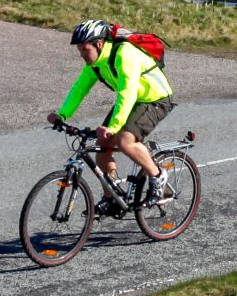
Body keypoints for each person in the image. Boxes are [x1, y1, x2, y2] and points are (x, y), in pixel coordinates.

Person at [53, 18, 173, 216]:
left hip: (155, 98)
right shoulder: (96, 63)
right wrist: (62, 114)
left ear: (99, 44)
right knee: (103, 144)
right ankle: (112, 197)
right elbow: (79, 89)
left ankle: (158, 175)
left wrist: (115, 126)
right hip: (134, 100)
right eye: (80, 51)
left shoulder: (124, 54)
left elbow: (128, 92)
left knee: (124, 140)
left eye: (85, 49)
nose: (82, 55)